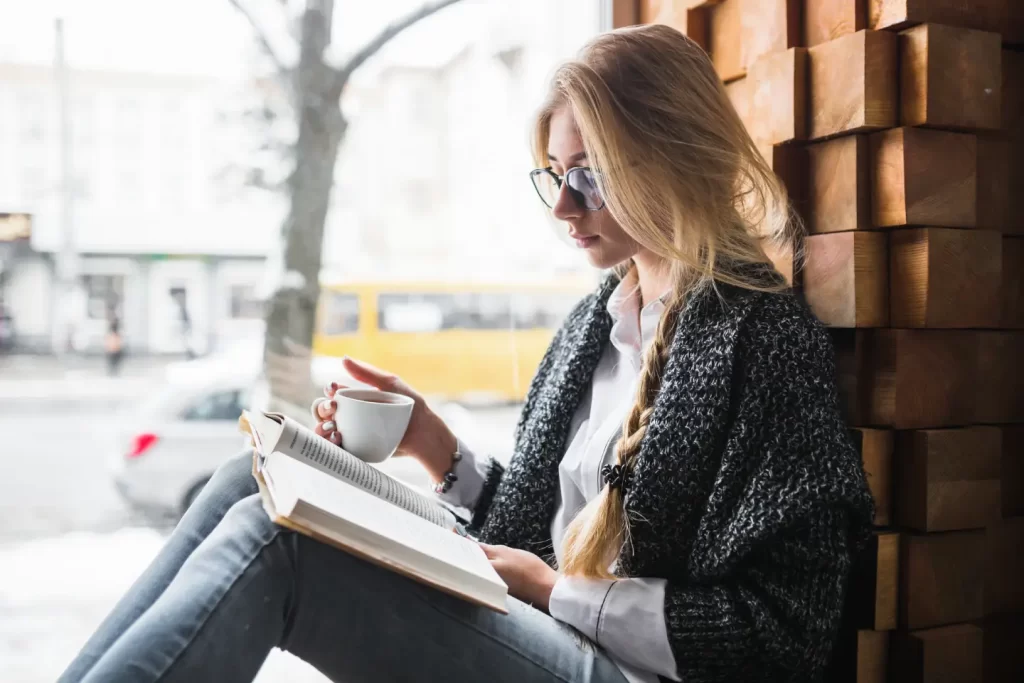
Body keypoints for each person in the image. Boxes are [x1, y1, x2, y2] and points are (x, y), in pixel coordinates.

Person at [60, 24, 873, 683]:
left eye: (587, 177)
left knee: (286, 546)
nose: (562, 207)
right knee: (258, 477)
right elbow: (533, 531)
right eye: (554, 175)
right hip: (547, 626)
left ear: (667, 158)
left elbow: (787, 632)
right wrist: (430, 442)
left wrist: (560, 592)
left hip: (622, 667)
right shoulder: (599, 322)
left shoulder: (763, 341)